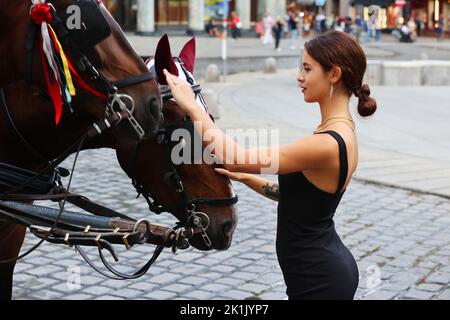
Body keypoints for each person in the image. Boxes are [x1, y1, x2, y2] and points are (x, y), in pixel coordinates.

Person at [162, 30, 377, 300]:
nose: (300, 76)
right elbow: (298, 199)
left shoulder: (328, 143)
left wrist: (193, 108)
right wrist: (244, 177)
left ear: (333, 74)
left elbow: (236, 157)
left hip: (318, 279)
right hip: (320, 271)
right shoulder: (341, 130)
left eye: (307, 69)